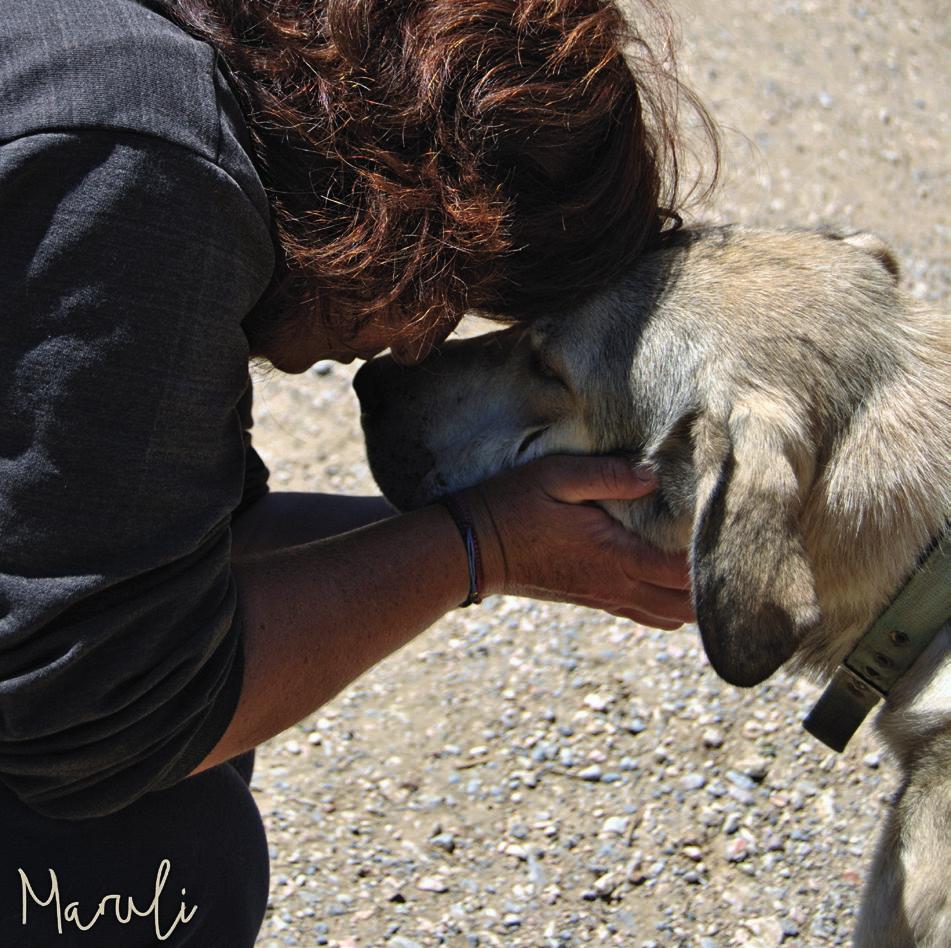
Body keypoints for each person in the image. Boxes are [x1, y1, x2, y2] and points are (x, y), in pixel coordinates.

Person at [0, 0, 715, 943]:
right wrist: (481, 549)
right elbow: (93, 719)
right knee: (162, 864)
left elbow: (163, 570)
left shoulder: (174, 80)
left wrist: (526, 548)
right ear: (422, 209)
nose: (412, 349)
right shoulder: (150, 179)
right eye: (450, 300)